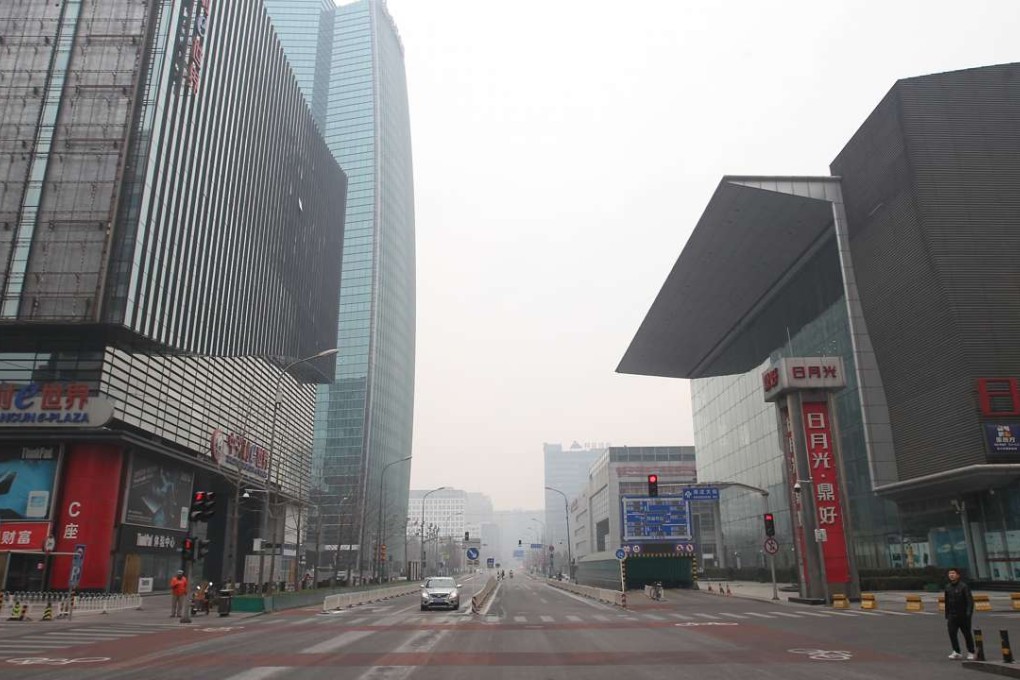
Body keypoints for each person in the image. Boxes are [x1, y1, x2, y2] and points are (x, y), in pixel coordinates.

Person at [944, 567, 976, 660]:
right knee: (952, 633)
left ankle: (971, 651)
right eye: (950, 573)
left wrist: (968, 613)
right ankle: (956, 651)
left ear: (958, 575)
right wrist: (947, 613)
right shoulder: (948, 587)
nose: (951, 575)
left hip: (963, 615)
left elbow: (970, 601)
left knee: (967, 634)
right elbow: (947, 601)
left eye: (953, 573)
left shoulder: (963, 586)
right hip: (952, 615)